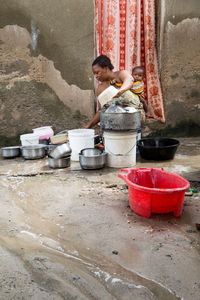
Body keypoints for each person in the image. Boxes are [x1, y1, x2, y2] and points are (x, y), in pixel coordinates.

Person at [84, 55, 145, 129]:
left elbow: (129, 80)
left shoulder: (120, 74)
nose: (96, 76)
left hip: (134, 118)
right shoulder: (100, 88)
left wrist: (121, 91)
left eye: (97, 72)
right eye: (94, 74)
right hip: (115, 123)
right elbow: (102, 110)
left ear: (106, 68)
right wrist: (88, 125)